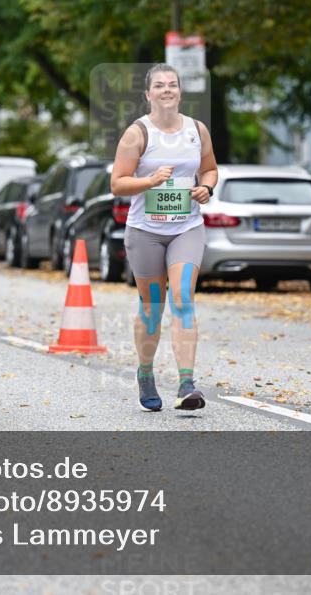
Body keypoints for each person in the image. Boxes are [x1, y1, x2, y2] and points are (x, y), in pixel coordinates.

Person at [111, 63, 219, 412]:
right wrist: (150, 181)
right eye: (160, 85)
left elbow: (210, 168)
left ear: (180, 92)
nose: (167, 90)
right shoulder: (137, 133)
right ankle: (145, 373)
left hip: (186, 228)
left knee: (184, 298)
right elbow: (118, 183)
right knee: (152, 307)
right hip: (146, 232)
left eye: (172, 85)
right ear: (148, 94)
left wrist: (206, 187)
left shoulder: (197, 130)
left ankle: (187, 383)